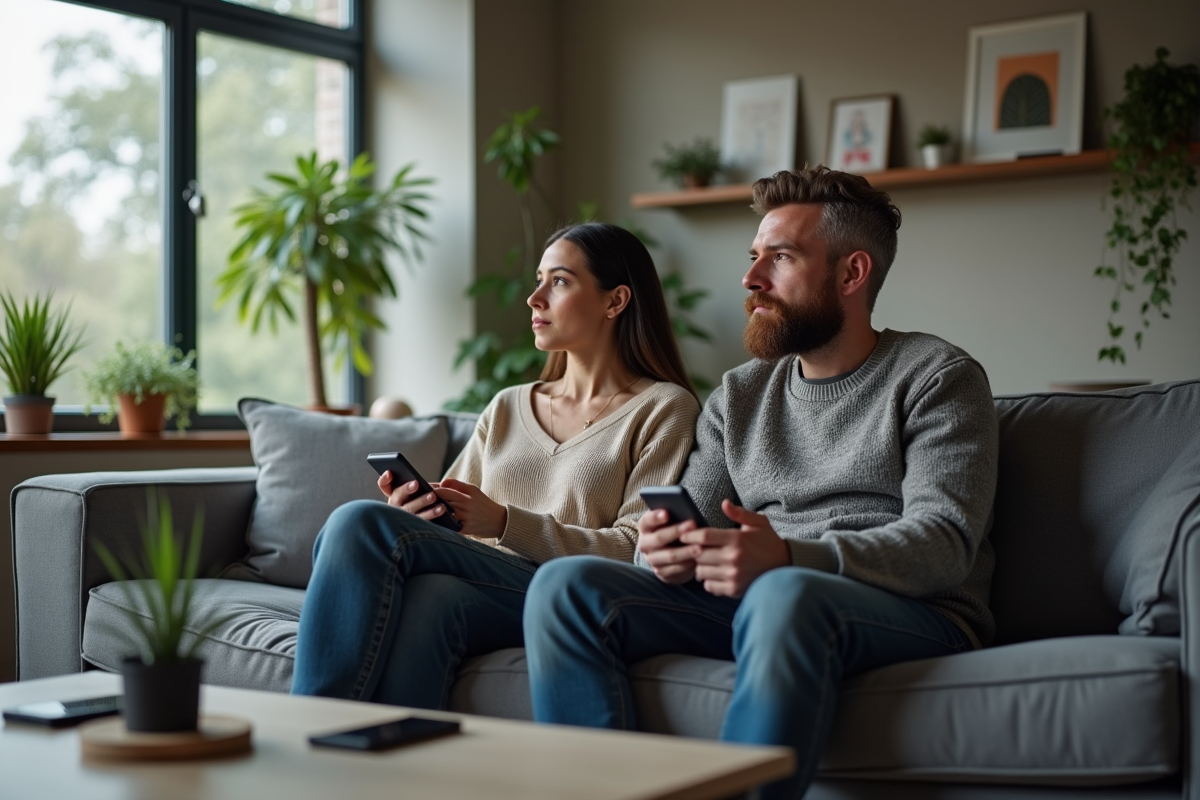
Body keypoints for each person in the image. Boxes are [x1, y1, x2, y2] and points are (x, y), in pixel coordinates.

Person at [522, 167, 999, 799]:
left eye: (780, 258)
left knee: (786, 594)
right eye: (753, 257)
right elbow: (686, 520)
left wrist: (789, 558)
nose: (750, 279)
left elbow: (944, 544)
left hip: (912, 610)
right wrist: (661, 549)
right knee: (567, 586)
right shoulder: (741, 394)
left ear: (851, 274)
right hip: (766, 597)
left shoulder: (938, 377)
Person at [291, 222, 701, 709]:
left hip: (563, 593)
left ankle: (306, 720)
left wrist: (506, 523)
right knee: (430, 600)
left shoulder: (664, 408)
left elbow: (636, 550)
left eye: (560, 281)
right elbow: (455, 513)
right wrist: (418, 513)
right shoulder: (508, 405)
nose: (534, 298)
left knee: (357, 522)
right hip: (482, 587)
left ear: (615, 301)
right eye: (538, 279)